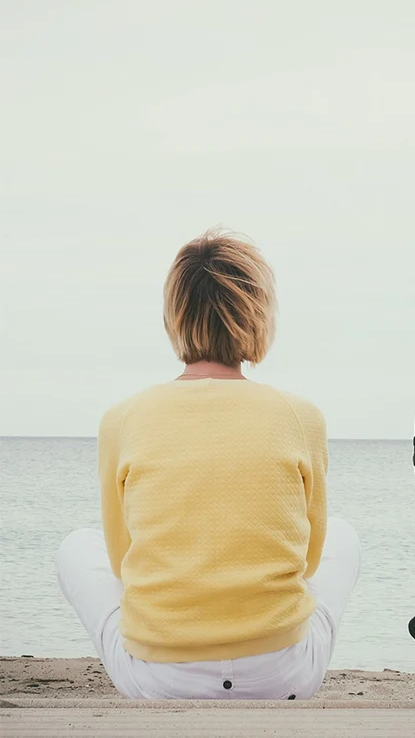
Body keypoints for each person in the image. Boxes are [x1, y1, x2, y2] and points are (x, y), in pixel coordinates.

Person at [55, 229, 361, 699]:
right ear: (257, 314)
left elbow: (121, 561)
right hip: (283, 677)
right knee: (344, 535)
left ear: (174, 316)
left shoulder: (122, 420)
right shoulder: (302, 417)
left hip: (159, 681)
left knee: (77, 547)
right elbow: (310, 559)